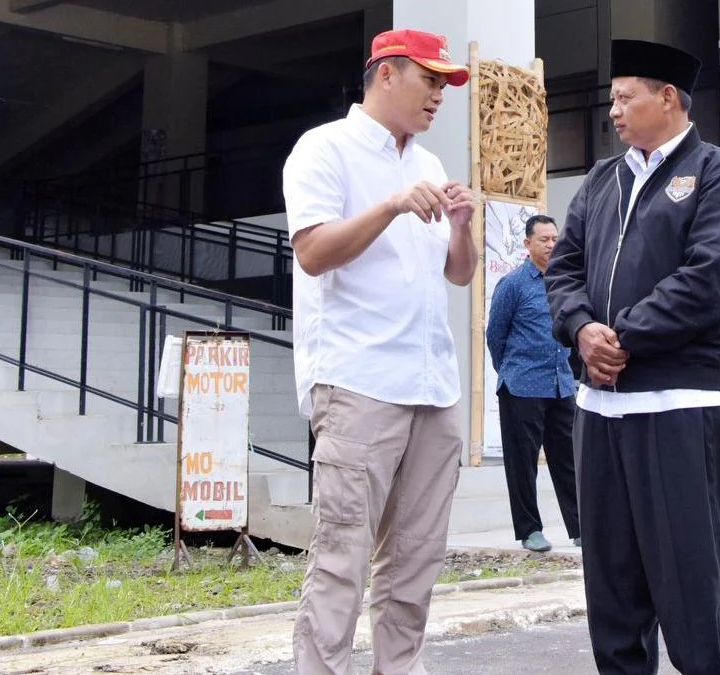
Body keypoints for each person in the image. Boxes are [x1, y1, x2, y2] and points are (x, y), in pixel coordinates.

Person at [546, 38, 720, 675]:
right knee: (610, 583)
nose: (612, 111)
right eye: (612, 100)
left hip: (676, 406)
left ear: (667, 98)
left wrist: (624, 338)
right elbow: (563, 270)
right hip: (598, 409)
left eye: (623, 97)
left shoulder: (719, 176)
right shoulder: (601, 180)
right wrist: (583, 330)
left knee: (687, 579)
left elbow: (710, 278)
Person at [281, 29, 476, 675]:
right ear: (387, 74)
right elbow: (311, 251)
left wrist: (461, 228)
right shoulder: (323, 150)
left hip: (432, 383)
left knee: (416, 557)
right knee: (342, 555)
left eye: (446, 85)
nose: (440, 97)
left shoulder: (427, 164)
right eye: (431, 80)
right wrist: (389, 206)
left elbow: (458, 275)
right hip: (358, 381)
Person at [486, 214, 580, 553]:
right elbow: (495, 336)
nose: (551, 245)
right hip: (522, 386)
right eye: (544, 239)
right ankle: (530, 530)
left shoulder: (566, 281)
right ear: (527, 244)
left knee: (569, 458)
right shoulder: (513, 284)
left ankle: (580, 527)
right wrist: (511, 370)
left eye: (555, 238)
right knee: (523, 464)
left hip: (561, 385)